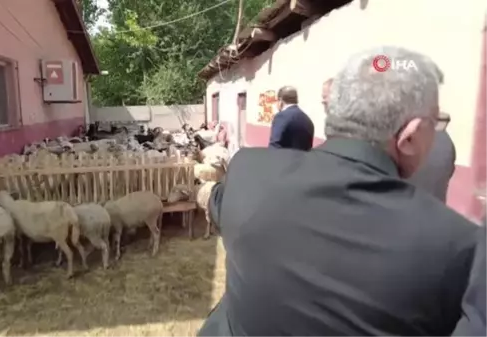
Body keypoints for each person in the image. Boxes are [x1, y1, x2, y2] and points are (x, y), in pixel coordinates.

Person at [198, 46, 477, 337]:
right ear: (410, 136)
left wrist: (204, 193)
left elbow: (218, 202)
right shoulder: (458, 247)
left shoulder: (248, 170)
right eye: (436, 123)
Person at [407, 113, 456, 202]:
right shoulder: (447, 142)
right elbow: (450, 171)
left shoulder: (416, 138)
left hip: (411, 202)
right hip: (435, 205)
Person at [268, 86, 315, 150]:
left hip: (285, 159)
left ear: (280, 100)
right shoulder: (308, 121)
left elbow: (275, 145)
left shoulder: (281, 116)